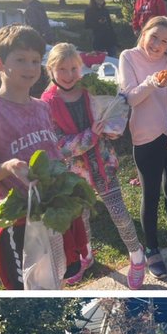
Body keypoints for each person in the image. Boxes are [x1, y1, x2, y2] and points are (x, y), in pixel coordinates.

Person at [43, 41, 145, 290]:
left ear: (81, 68)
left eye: (73, 69)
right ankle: (86, 256)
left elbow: (111, 114)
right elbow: (58, 145)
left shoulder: (91, 90)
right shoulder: (46, 103)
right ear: (51, 70)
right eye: (62, 70)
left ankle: (137, 256)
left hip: (103, 166)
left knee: (119, 214)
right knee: (81, 219)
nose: (69, 75)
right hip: (74, 175)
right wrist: (91, 135)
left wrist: (111, 129)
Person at [119, 15, 167, 279]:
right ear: (143, 32)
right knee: (150, 193)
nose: (158, 45)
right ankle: (151, 247)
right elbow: (130, 98)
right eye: (154, 37)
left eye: (164, 41)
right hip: (145, 135)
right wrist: (153, 81)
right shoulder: (128, 57)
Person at [0, 24, 63, 289]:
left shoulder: (43, 107)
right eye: (20, 59)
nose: (30, 67)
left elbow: (53, 152)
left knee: (54, 278)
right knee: (27, 286)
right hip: (18, 218)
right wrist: (8, 166)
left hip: (49, 212)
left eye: (35, 60)